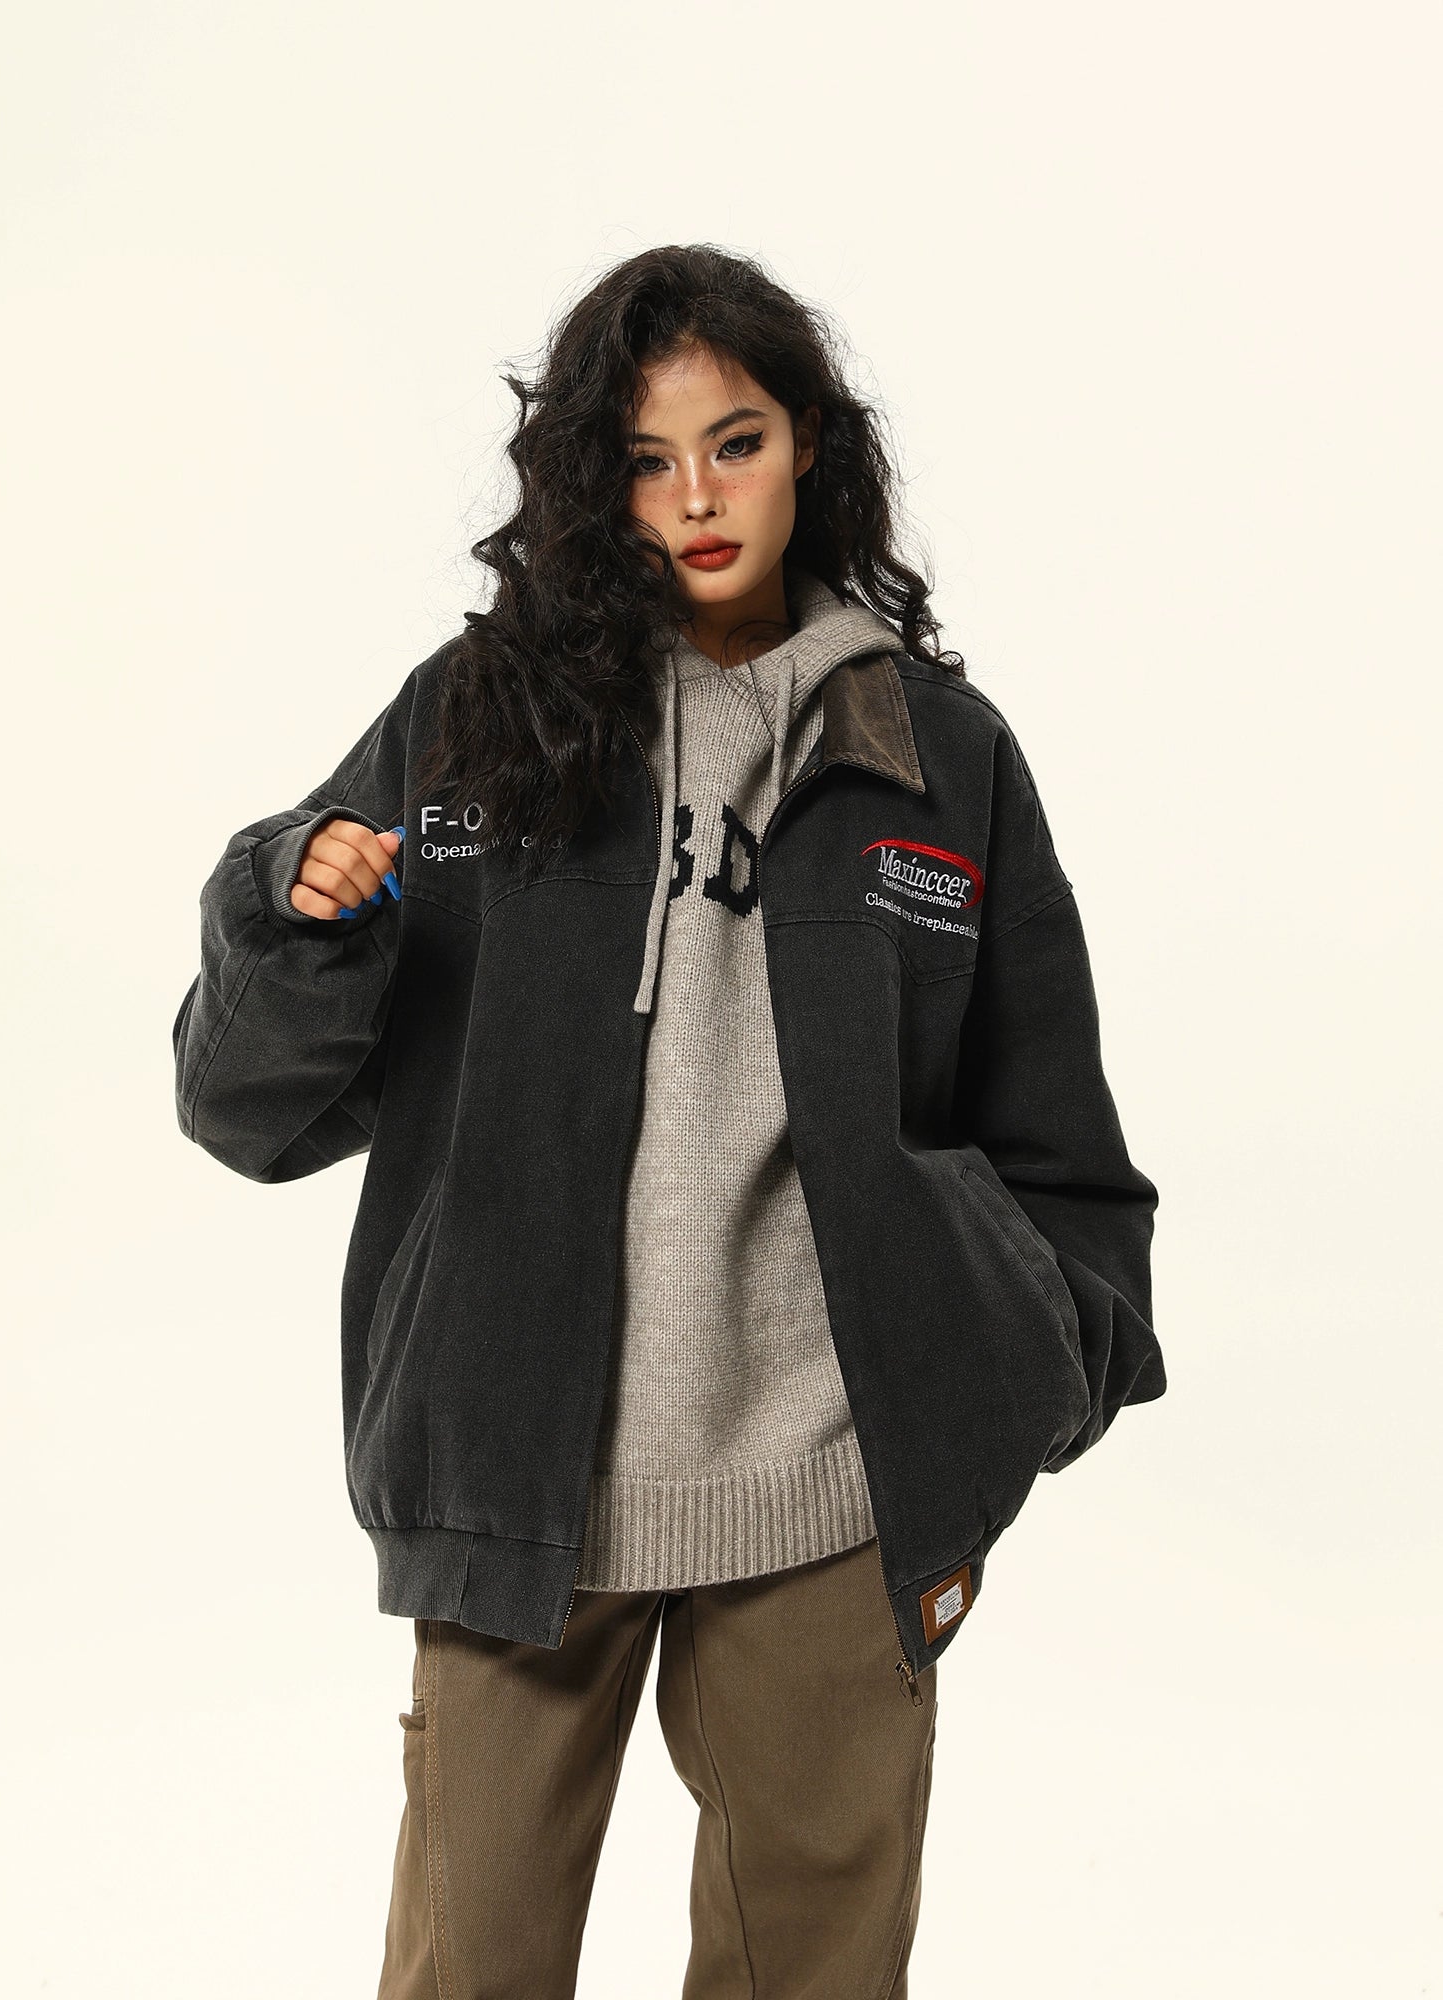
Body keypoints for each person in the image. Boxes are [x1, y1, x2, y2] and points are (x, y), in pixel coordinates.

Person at [172, 243, 1166, 2000]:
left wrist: (1016, 1381)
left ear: (810, 449)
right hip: (517, 1474)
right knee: (468, 1969)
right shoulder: (475, 722)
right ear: (591, 481)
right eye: (645, 460)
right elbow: (245, 1109)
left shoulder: (941, 754)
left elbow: (1060, 1138)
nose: (697, 499)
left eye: (737, 443)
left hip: (831, 1492)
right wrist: (291, 911)